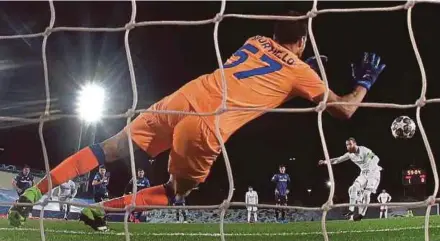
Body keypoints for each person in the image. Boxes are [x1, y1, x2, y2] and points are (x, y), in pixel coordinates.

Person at [8, 10, 386, 230]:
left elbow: (269, 71)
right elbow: (344, 109)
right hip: (208, 122)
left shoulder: (254, 40)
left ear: (273, 33)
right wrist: (363, 83)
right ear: (302, 42)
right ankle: (106, 209)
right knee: (178, 190)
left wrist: (303, 70)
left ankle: (36, 190)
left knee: (108, 148)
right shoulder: (301, 71)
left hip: (185, 96)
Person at [318, 137, 382, 221]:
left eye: (350, 144)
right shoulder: (350, 155)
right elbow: (337, 160)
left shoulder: (364, 150)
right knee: (353, 188)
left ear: (355, 143)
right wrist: (325, 162)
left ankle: (361, 214)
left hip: (374, 173)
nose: (348, 147)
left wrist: (370, 167)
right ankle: (351, 210)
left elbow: (376, 158)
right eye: (347, 145)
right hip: (363, 174)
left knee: (366, 194)